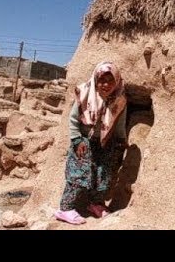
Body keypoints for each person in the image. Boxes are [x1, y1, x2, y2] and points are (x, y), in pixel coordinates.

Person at [54, 61, 128, 225]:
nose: (106, 84)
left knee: (104, 175)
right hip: (83, 142)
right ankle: (65, 209)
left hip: (105, 142)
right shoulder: (85, 93)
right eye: (102, 80)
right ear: (96, 79)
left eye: (110, 80)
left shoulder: (120, 99)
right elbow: (73, 119)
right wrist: (77, 140)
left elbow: (120, 124)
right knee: (78, 175)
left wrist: (121, 142)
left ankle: (96, 204)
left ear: (116, 81)